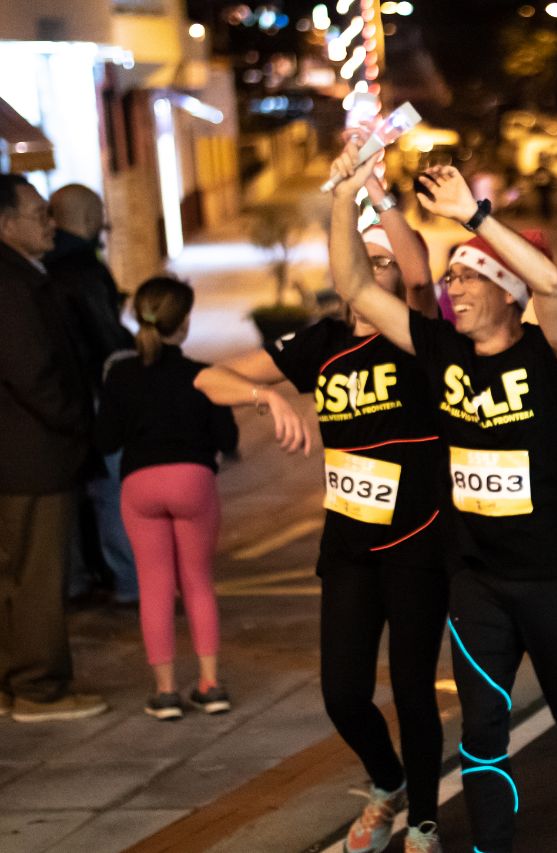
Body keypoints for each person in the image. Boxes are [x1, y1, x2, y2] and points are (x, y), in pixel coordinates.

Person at [325, 139, 557, 853]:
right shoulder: (440, 350)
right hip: (474, 577)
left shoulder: (551, 353)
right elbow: (356, 290)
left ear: (504, 293)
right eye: (451, 278)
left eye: (469, 278)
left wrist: (473, 217)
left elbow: (551, 283)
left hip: (550, 574)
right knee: (481, 733)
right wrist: (340, 195)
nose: (454, 288)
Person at [196, 178, 450, 853]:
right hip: (348, 544)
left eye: (383, 260)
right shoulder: (323, 341)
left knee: (414, 690)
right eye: (361, 258)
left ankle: (424, 820)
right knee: (343, 693)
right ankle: (386, 782)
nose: (371, 267)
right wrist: (264, 397)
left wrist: (379, 193)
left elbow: (421, 271)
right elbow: (206, 378)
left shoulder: (417, 337)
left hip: (418, 536)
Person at [94, 277, 245, 720]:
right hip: (193, 481)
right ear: (184, 324)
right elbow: (228, 437)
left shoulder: (120, 375)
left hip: (140, 484)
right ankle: (210, 684)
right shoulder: (201, 374)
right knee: (197, 580)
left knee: (154, 585)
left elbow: (105, 440)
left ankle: (164, 693)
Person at [0, 173, 107, 723]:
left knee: (13, 575)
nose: (50, 224)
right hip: (32, 456)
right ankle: (40, 688)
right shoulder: (14, 286)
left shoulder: (22, 277)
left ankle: (13, 683)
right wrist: (76, 424)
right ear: (6, 225)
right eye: (39, 214)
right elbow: (33, 373)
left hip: (19, 454)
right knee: (38, 578)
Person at [45, 183, 138, 607]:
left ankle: (78, 580)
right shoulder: (83, 267)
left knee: (72, 491)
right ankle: (127, 581)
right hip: (94, 395)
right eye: (100, 215)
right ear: (87, 218)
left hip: (56, 396)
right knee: (112, 489)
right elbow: (109, 342)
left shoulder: (40, 267)